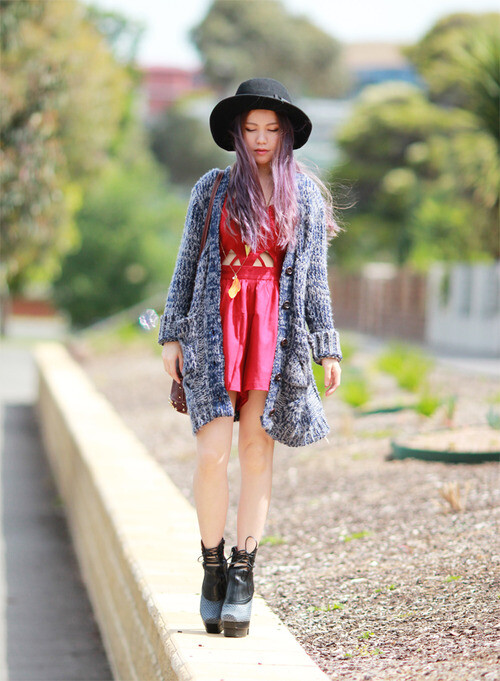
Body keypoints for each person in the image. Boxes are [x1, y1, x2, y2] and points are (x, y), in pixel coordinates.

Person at [158, 77, 342, 638]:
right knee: (212, 454)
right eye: (251, 128)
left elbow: (313, 280)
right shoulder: (212, 189)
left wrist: (326, 346)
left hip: (274, 334)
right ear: (237, 133)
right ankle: (212, 569)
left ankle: (243, 575)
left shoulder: (303, 194)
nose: (261, 139)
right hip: (216, 332)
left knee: (257, 451)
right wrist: (172, 335)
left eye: (271, 129)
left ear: (285, 135)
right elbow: (187, 264)